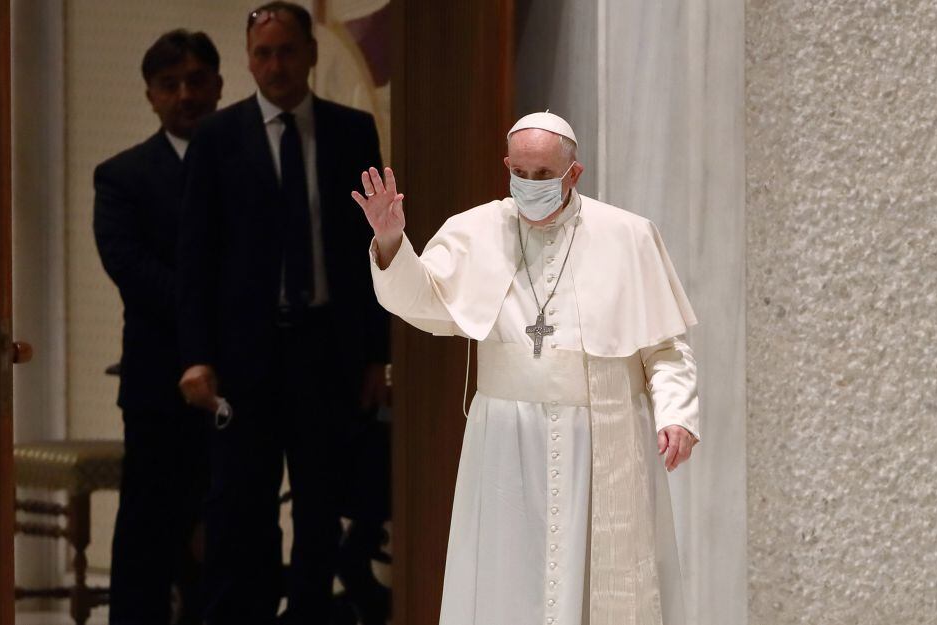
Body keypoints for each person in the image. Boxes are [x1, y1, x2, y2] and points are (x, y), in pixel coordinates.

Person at [352, 111, 701, 625]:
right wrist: (389, 241)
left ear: (574, 173)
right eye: (521, 173)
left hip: (601, 441)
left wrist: (676, 413)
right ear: (506, 167)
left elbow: (665, 347)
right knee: (506, 587)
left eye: (544, 176)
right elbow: (421, 302)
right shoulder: (475, 230)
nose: (530, 186)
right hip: (505, 446)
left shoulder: (629, 236)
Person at [176, 3, 389, 623]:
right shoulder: (218, 139)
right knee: (242, 506)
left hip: (326, 350)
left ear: (310, 54)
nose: (275, 66)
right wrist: (196, 355)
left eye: (287, 51)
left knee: (321, 506)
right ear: (248, 59)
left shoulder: (351, 133)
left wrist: (378, 353)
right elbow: (196, 259)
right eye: (263, 53)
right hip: (245, 354)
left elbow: (372, 251)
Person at [93, 28, 223, 625]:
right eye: (169, 84)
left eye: (196, 81)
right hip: (157, 378)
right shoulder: (122, 176)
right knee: (148, 527)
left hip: (241, 372)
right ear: (150, 95)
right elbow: (131, 269)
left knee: (227, 521)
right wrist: (217, 309)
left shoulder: (244, 162)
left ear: (218, 87)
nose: (185, 95)